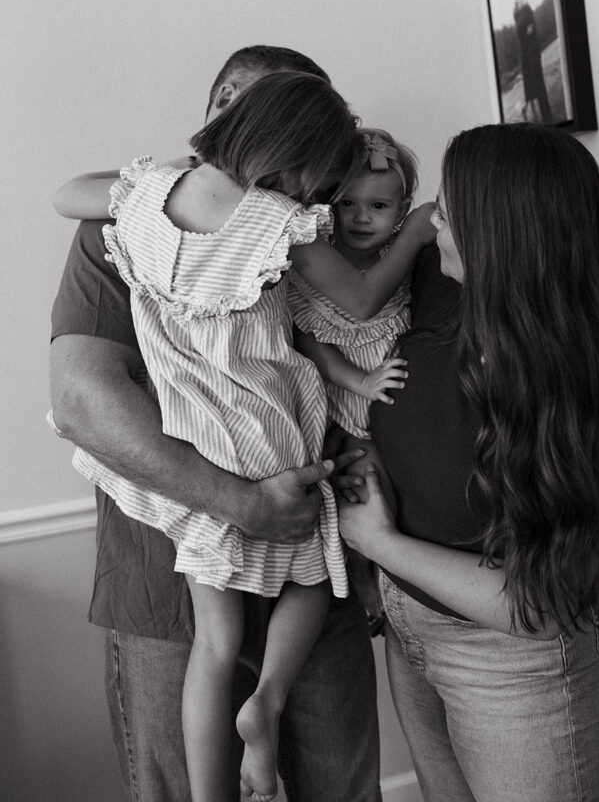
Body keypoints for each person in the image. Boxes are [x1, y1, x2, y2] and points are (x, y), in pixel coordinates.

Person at [52, 67, 434, 802]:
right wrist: (418, 226)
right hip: (269, 438)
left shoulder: (140, 202)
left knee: (215, 645)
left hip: (193, 439)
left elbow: (66, 193)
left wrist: (159, 177)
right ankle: (268, 701)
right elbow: (359, 299)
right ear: (303, 156)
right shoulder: (276, 223)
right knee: (313, 572)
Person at [338, 122, 599, 802]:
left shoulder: (573, 386)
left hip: (515, 666)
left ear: (495, 232)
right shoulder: (445, 294)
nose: (430, 222)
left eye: (446, 211)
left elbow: (537, 603)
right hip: (410, 629)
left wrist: (376, 542)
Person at [288, 128, 418, 620]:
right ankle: (366, 587)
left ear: (403, 210)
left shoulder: (404, 263)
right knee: (360, 489)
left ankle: (397, 592)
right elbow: (311, 344)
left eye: (379, 207)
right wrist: (360, 381)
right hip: (343, 405)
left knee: (393, 498)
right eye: (348, 204)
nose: (362, 217)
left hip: (394, 410)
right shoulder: (315, 264)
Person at [513, 0, 552, 124]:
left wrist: (524, 30)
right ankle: (534, 115)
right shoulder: (517, 14)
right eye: (518, 0)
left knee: (539, 85)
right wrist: (523, 30)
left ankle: (546, 115)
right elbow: (522, 32)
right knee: (529, 89)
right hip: (525, 56)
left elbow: (528, 31)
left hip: (532, 54)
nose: (520, 1)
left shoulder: (527, 10)